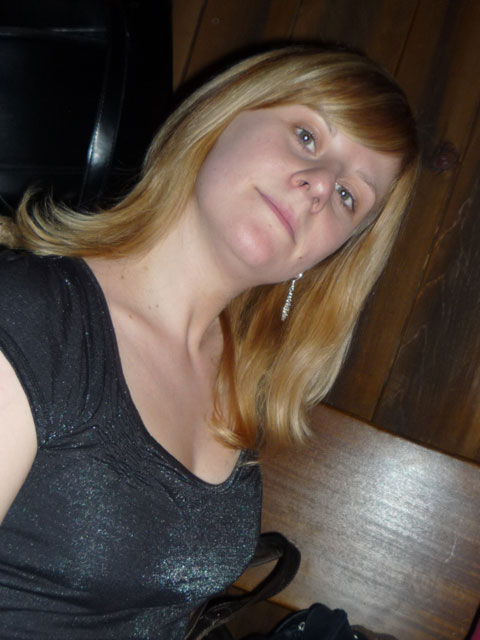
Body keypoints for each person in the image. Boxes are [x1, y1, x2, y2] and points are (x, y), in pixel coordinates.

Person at [0, 45, 419, 638]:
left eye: (350, 196)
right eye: (307, 137)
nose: (321, 186)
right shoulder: (32, 318)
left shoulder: (234, 378)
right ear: (223, 115)